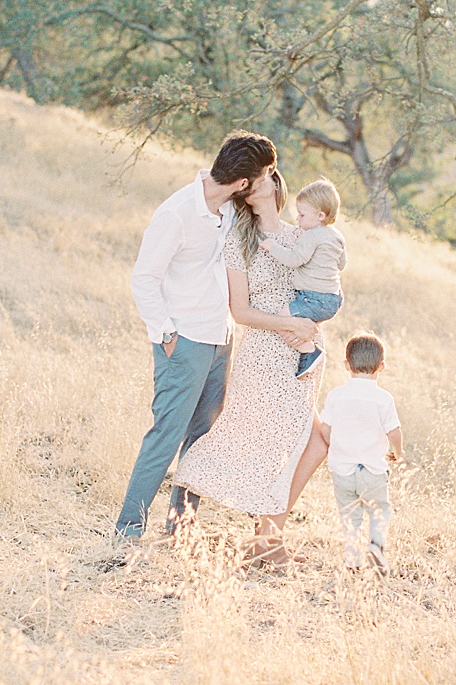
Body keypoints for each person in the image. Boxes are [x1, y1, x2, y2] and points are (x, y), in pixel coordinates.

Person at [115, 130, 278, 540]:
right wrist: (166, 335)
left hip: (221, 338)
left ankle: (179, 530)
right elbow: (144, 278)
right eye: (262, 176)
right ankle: (126, 531)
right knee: (166, 436)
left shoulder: (230, 210)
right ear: (242, 182)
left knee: (202, 442)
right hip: (184, 341)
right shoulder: (176, 213)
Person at [171, 168, 327, 567]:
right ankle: (258, 540)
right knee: (270, 440)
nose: (257, 181)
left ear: (277, 185)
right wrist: (288, 323)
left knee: (315, 441)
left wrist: (306, 325)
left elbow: (322, 288)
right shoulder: (239, 244)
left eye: (266, 176)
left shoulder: (301, 236)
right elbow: (240, 312)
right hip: (263, 354)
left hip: (302, 352)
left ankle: (266, 540)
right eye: (249, 178)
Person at [318, 333, 403, 574]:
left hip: (342, 471)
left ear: (347, 365)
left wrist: (333, 445)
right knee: (380, 509)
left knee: (350, 516)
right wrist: (398, 452)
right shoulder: (383, 399)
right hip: (373, 471)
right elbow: (394, 431)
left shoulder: (336, 396)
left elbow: (326, 428)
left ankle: (352, 561)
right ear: (382, 367)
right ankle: (376, 545)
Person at [259, 178, 347, 379]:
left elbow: (294, 259)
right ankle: (307, 348)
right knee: (291, 320)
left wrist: (273, 247)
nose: (297, 219)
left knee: (281, 319)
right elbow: (341, 264)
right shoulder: (337, 236)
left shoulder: (311, 236)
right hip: (334, 297)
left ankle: (309, 350)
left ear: (320, 215)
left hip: (315, 298)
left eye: (301, 214)